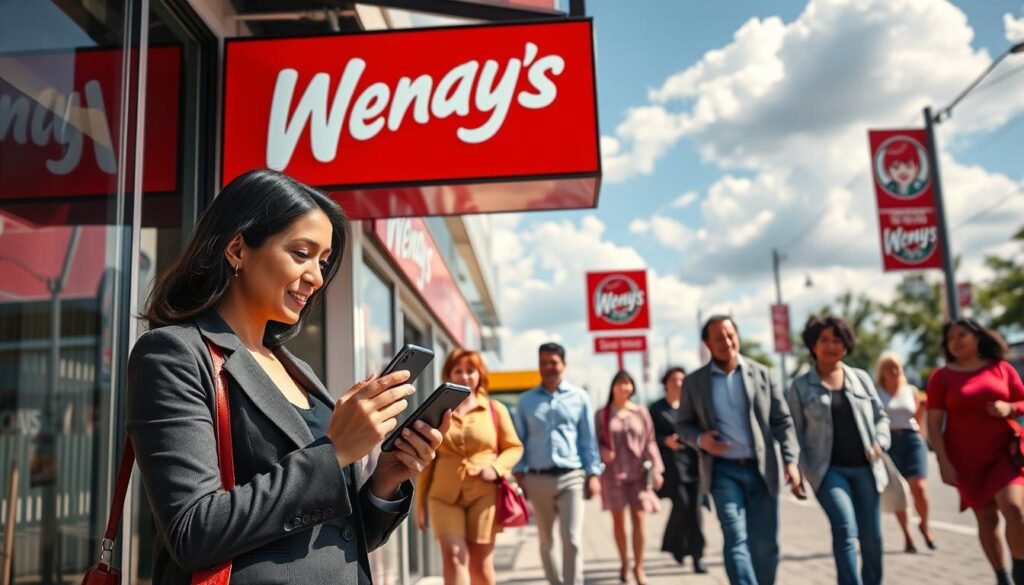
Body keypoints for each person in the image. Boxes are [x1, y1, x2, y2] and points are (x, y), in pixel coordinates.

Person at [125, 169, 448, 585]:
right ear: (238, 248)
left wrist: (385, 480)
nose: (316, 276)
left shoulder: (299, 370)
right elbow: (193, 531)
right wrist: (334, 454)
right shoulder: (174, 354)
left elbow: (331, 538)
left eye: (324, 261)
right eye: (301, 253)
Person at [677, 315, 803, 585]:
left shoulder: (762, 374)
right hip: (723, 471)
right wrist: (701, 440)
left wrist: (791, 462)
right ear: (707, 344)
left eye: (730, 335)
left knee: (766, 546)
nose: (726, 342)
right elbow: (683, 425)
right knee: (735, 538)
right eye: (718, 338)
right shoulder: (694, 383)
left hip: (761, 469)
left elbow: (782, 421)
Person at [788, 316, 890, 585]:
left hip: (867, 468)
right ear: (813, 346)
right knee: (845, 528)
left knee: (871, 536)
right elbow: (794, 434)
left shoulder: (861, 379)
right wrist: (796, 471)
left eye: (837, 340)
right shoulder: (800, 387)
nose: (831, 346)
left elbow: (881, 417)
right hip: (827, 471)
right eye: (824, 340)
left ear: (846, 346)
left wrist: (880, 441)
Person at [927, 318, 1024, 585]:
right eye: (951, 338)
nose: (956, 341)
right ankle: (1001, 576)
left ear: (978, 337)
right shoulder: (942, 377)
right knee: (987, 518)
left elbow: (1022, 400)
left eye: (962, 335)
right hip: (966, 459)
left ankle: (1020, 569)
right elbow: (934, 426)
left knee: (1015, 509)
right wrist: (943, 462)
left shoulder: (1001, 368)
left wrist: (1010, 408)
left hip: (1003, 452)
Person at [414, 349, 523, 585]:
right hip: (443, 496)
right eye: (458, 370)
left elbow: (515, 448)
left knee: (480, 565)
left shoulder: (495, 409)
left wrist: (496, 468)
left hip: (484, 496)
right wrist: (419, 503)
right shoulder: (438, 410)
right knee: (453, 558)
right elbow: (427, 459)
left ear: (480, 374)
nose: (465, 376)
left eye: (470, 370)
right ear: (449, 374)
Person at [513, 342, 603, 585]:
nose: (548, 367)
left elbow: (587, 440)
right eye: (543, 363)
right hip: (537, 479)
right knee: (546, 541)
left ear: (563, 364)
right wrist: (520, 475)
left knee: (571, 537)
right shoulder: (526, 402)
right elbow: (518, 440)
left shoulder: (580, 398)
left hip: (571, 477)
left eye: (553, 362)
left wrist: (593, 474)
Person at [595, 370, 664, 585]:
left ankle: (639, 566)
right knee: (618, 521)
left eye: (628, 384)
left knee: (639, 517)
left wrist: (658, 469)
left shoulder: (641, 412)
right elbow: (593, 442)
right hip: (612, 474)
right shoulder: (603, 414)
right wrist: (602, 452)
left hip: (639, 473)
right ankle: (624, 560)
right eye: (620, 383)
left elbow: (650, 441)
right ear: (613, 387)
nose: (625, 388)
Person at [876, 351, 936, 553]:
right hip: (889, 442)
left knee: (919, 487)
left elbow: (919, 416)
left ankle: (924, 525)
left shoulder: (910, 390)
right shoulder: (876, 391)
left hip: (912, 440)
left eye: (897, 366)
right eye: (889, 367)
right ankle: (908, 537)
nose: (894, 371)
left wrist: (922, 433)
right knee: (898, 490)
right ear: (881, 371)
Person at [649, 366, 706, 573]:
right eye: (674, 379)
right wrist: (665, 441)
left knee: (696, 512)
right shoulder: (656, 409)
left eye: (682, 379)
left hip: (694, 465)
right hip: (672, 467)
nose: (678, 383)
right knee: (682, 504)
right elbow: (649, 437)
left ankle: (697, 555)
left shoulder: (691, 406)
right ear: (666, 383)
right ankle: (676, 546)